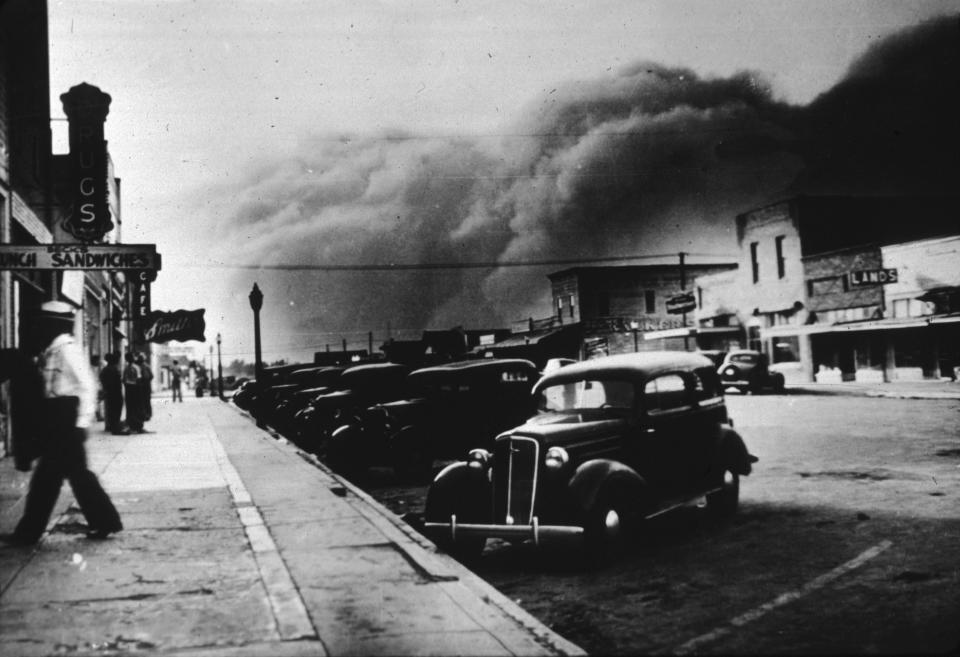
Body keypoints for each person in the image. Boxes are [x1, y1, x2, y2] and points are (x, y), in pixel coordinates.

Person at [1, 301, 122, 546]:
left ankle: (32, 531)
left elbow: (87, 385)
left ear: (53, 325)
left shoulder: (67, 350)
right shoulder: (53, 350)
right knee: (57, 477)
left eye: (44, 323)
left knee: (62, 477)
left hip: (67, 419)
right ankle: (102, 521)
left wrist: (81, 422)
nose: (39, 328)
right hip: (58, 419)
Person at [99, 352, 126, 434]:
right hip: (115, 393)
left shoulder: (105, 370)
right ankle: (115, 428)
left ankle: (111, 426)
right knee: (116, 410)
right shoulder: (114, 369)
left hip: (109, 393)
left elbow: (102, 378)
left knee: (110, 410)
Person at [122, 352, 144, 433]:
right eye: (128, 358)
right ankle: (131, 425)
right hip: (129, 389)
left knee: (136, 407)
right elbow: (124, 379)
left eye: (130, 357)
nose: (129, 359)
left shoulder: (135, 367)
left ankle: (137, 425)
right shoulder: (127, 368)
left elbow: (138, 379)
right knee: (130, 408)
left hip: (134, 389)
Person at [137, 352, 153, 421]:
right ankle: (146, 414)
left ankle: (146, 415)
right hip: (145, 386)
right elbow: (151, 376)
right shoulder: (146, 366)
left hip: (144, 386)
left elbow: (149, 376)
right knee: (145, 401)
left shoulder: (143, 366)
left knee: (144, 401)